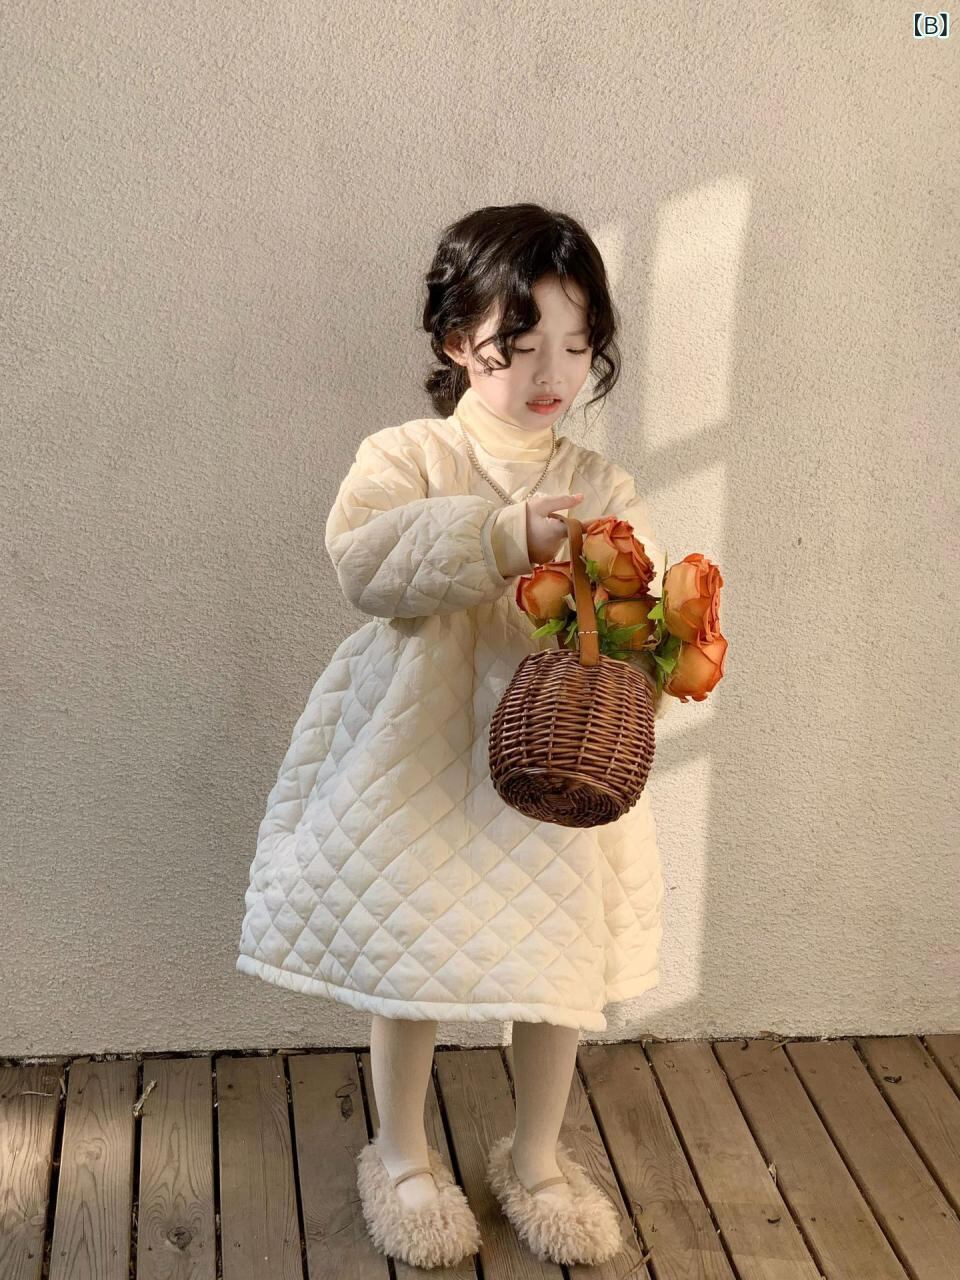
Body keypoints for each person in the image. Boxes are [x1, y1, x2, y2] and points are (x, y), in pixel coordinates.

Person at [236, 203, 670, 1269]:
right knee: (411, 948)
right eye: (517, 346)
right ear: (453, 340)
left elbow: (634, 607)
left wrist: (652, 638)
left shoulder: (602, 480)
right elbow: (363, 561)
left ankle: (537, 1157)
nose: (550, 372)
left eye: (576, 344)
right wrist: (501, 533)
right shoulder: (410, 453)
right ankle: (400, 1151)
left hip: (552, 756)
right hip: (420, 744)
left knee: (559, 955)